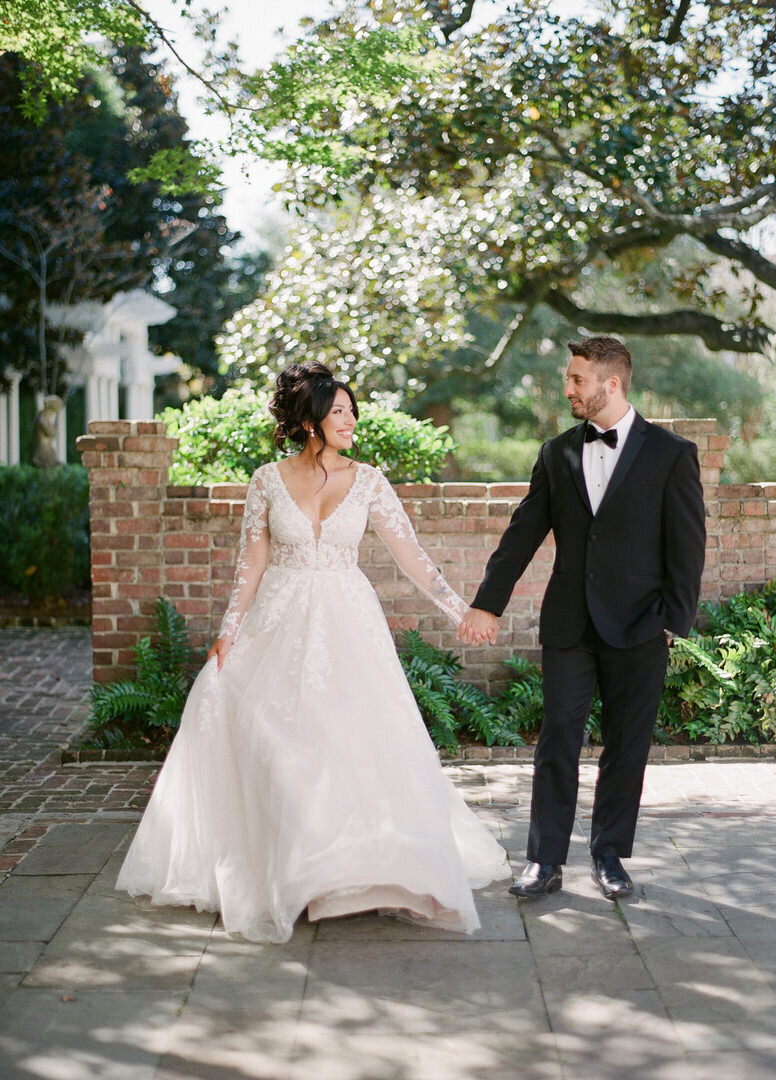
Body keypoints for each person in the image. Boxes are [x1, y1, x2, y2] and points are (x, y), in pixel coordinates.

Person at [117, 361, 508, 942]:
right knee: (278, 740)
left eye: (353, 410)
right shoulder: (266, 481)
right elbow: (251, 564)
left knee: (353, 739)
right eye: (339, 411)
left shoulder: (371, 481)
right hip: (278, 619)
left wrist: (462, 611)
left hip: (348, 622)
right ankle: (299, 872)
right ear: (309, 422)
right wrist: (228, 630)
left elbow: (413, 558)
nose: (351, 420)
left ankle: (360, 872)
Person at [458, 337, 706, 901]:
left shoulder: (671, 454)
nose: (567, 389)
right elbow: (523, 532)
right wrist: (486, 602)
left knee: (627, 745)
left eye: (576, 379)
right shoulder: (557, 452)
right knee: (558, 740)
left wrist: (673, 621)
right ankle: (543, 861)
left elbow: (688, 546)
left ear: (610, 383)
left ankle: (610, 854)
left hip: (641, 626)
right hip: (570, 624)